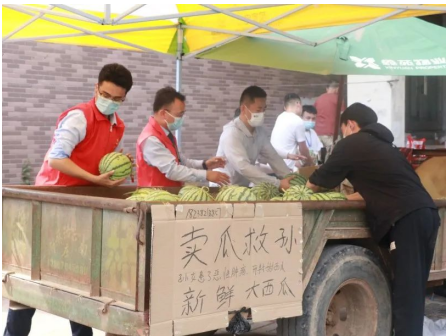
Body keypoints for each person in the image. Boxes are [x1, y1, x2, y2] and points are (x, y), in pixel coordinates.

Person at [5, 64, 134, 336]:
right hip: (52, 203)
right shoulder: (79, 117)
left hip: (81, 207)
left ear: (125, 99)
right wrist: (95, 178)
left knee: (79, 280)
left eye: (117, 98)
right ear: (96, 88)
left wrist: (117, 166)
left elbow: (95, 163)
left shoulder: (117, 126)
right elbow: (56, 158)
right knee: (33, 281)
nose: (110, 102)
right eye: (106, 94)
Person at [306, 103, 440, 336]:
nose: (343, 135)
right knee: (413, 295)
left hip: (407, 219)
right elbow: (374, 189)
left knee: (406, 298)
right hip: (427, 215)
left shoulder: (351, 144)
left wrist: (298, 187)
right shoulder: (385, 147)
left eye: (343, 129)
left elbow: (318, 181)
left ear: (350, 125)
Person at [136, 86, 230, 187]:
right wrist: (206, 175)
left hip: (169, 196)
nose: (181, 119)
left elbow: (182, 162)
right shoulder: (151, 139)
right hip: (154, 198)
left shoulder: (166, 133)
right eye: (179, 115)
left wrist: (205, 164)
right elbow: (172, 170)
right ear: (163, 113)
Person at [213, 85, 293, 189]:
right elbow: (243, 167)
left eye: (264, 109)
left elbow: (273, 157)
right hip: (223, 188)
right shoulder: (231, 134)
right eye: (258, 110)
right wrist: (277, 183)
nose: (262, 114)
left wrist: (291, 178)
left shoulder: (260, 132)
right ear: (243, 109)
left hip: (242, 188)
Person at [271, 93, 313, 171]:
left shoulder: (280, 117)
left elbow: (286, 144)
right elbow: (303, 149)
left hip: (273, 164)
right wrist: (310, 161)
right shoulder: (298, 120)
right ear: (298, 104)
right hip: (284, 168)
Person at [314, 80, 346, 151]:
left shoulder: (318, 99)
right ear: (337, 89)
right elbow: (343, 116)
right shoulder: (338, 99)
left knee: (320, 156)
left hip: (317, 133)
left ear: (327, 88)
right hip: (331, 134)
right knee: (335, 153)